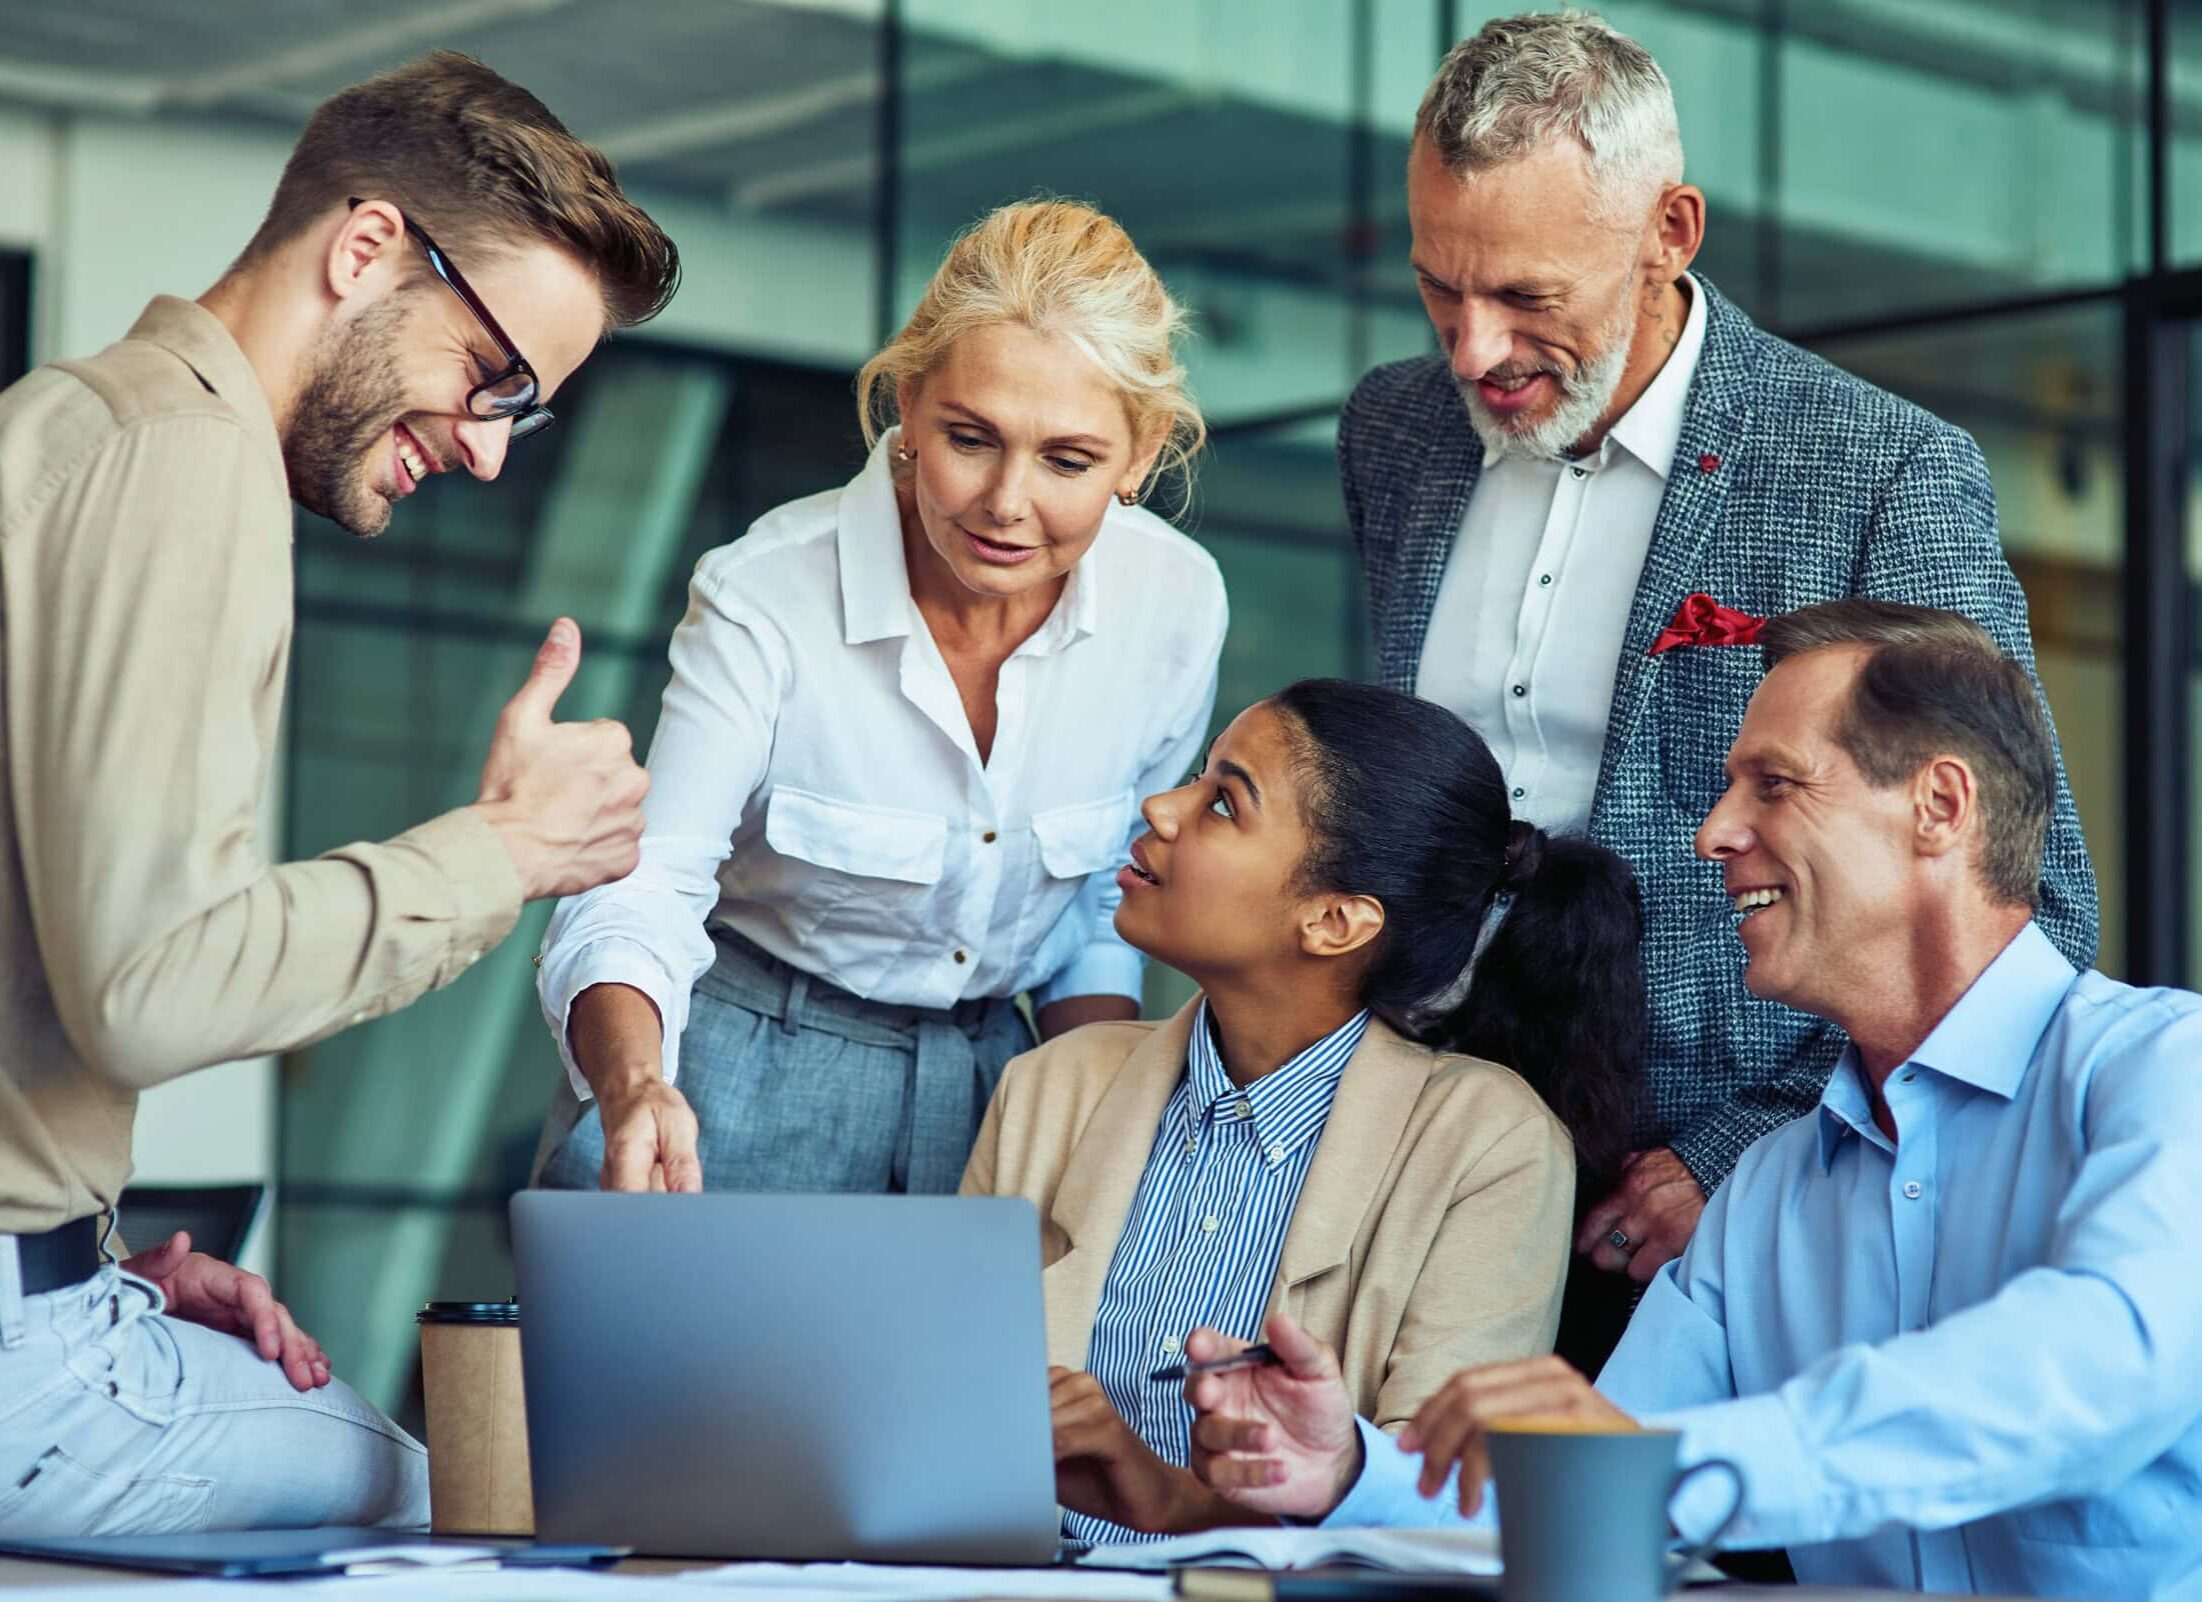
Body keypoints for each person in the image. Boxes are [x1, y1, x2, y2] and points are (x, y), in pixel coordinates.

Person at [1186, 603, 2202, 1602]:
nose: (1713, 831)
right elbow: (1609, 1479)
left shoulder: (2174, 1071)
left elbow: (2100, 1366)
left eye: (1773, 783)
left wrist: (1670, 1467)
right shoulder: (1764, 1191)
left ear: (1938, 808)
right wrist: (1346, 1470)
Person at [1340, 9, 2101, 1359]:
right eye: (1437, 289)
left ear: (1668, 232)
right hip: (1412, 1168)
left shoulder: (1880, 474)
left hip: (1704, 1208)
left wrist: (1747, 1149)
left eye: (1525, 298)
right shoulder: (1393, 433)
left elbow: (2025, 908)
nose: (1472, 350)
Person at [0, 52, 674, 1534]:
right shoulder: (185, 463)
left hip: (40, 1290)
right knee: (449, 1506)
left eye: (528, 413)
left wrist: (82, 1247)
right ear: (365, 249)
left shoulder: (71, 424)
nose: (490, 447)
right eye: (492, 377)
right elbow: (149, 986)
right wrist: (501, 853)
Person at [532, 200, 1228, 1198]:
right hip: (735, 1062)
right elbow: (646, 883)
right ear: (907, 405)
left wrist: (1098, 1133)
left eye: (1067, 459)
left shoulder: (1176, 601)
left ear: (1142, 452)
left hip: (1002, 1085)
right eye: (970, 437)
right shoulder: (765, 593)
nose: (1006, 502)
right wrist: (637, 1082)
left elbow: (1103, 915)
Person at [959, 679, 1646, 1542]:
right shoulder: (1050, 1085)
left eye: (1222, 804)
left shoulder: (1490, 1146)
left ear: (1334, 921)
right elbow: (946, 1416)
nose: (1161, 808)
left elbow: (1432, 1512)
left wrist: (1165, 1497)